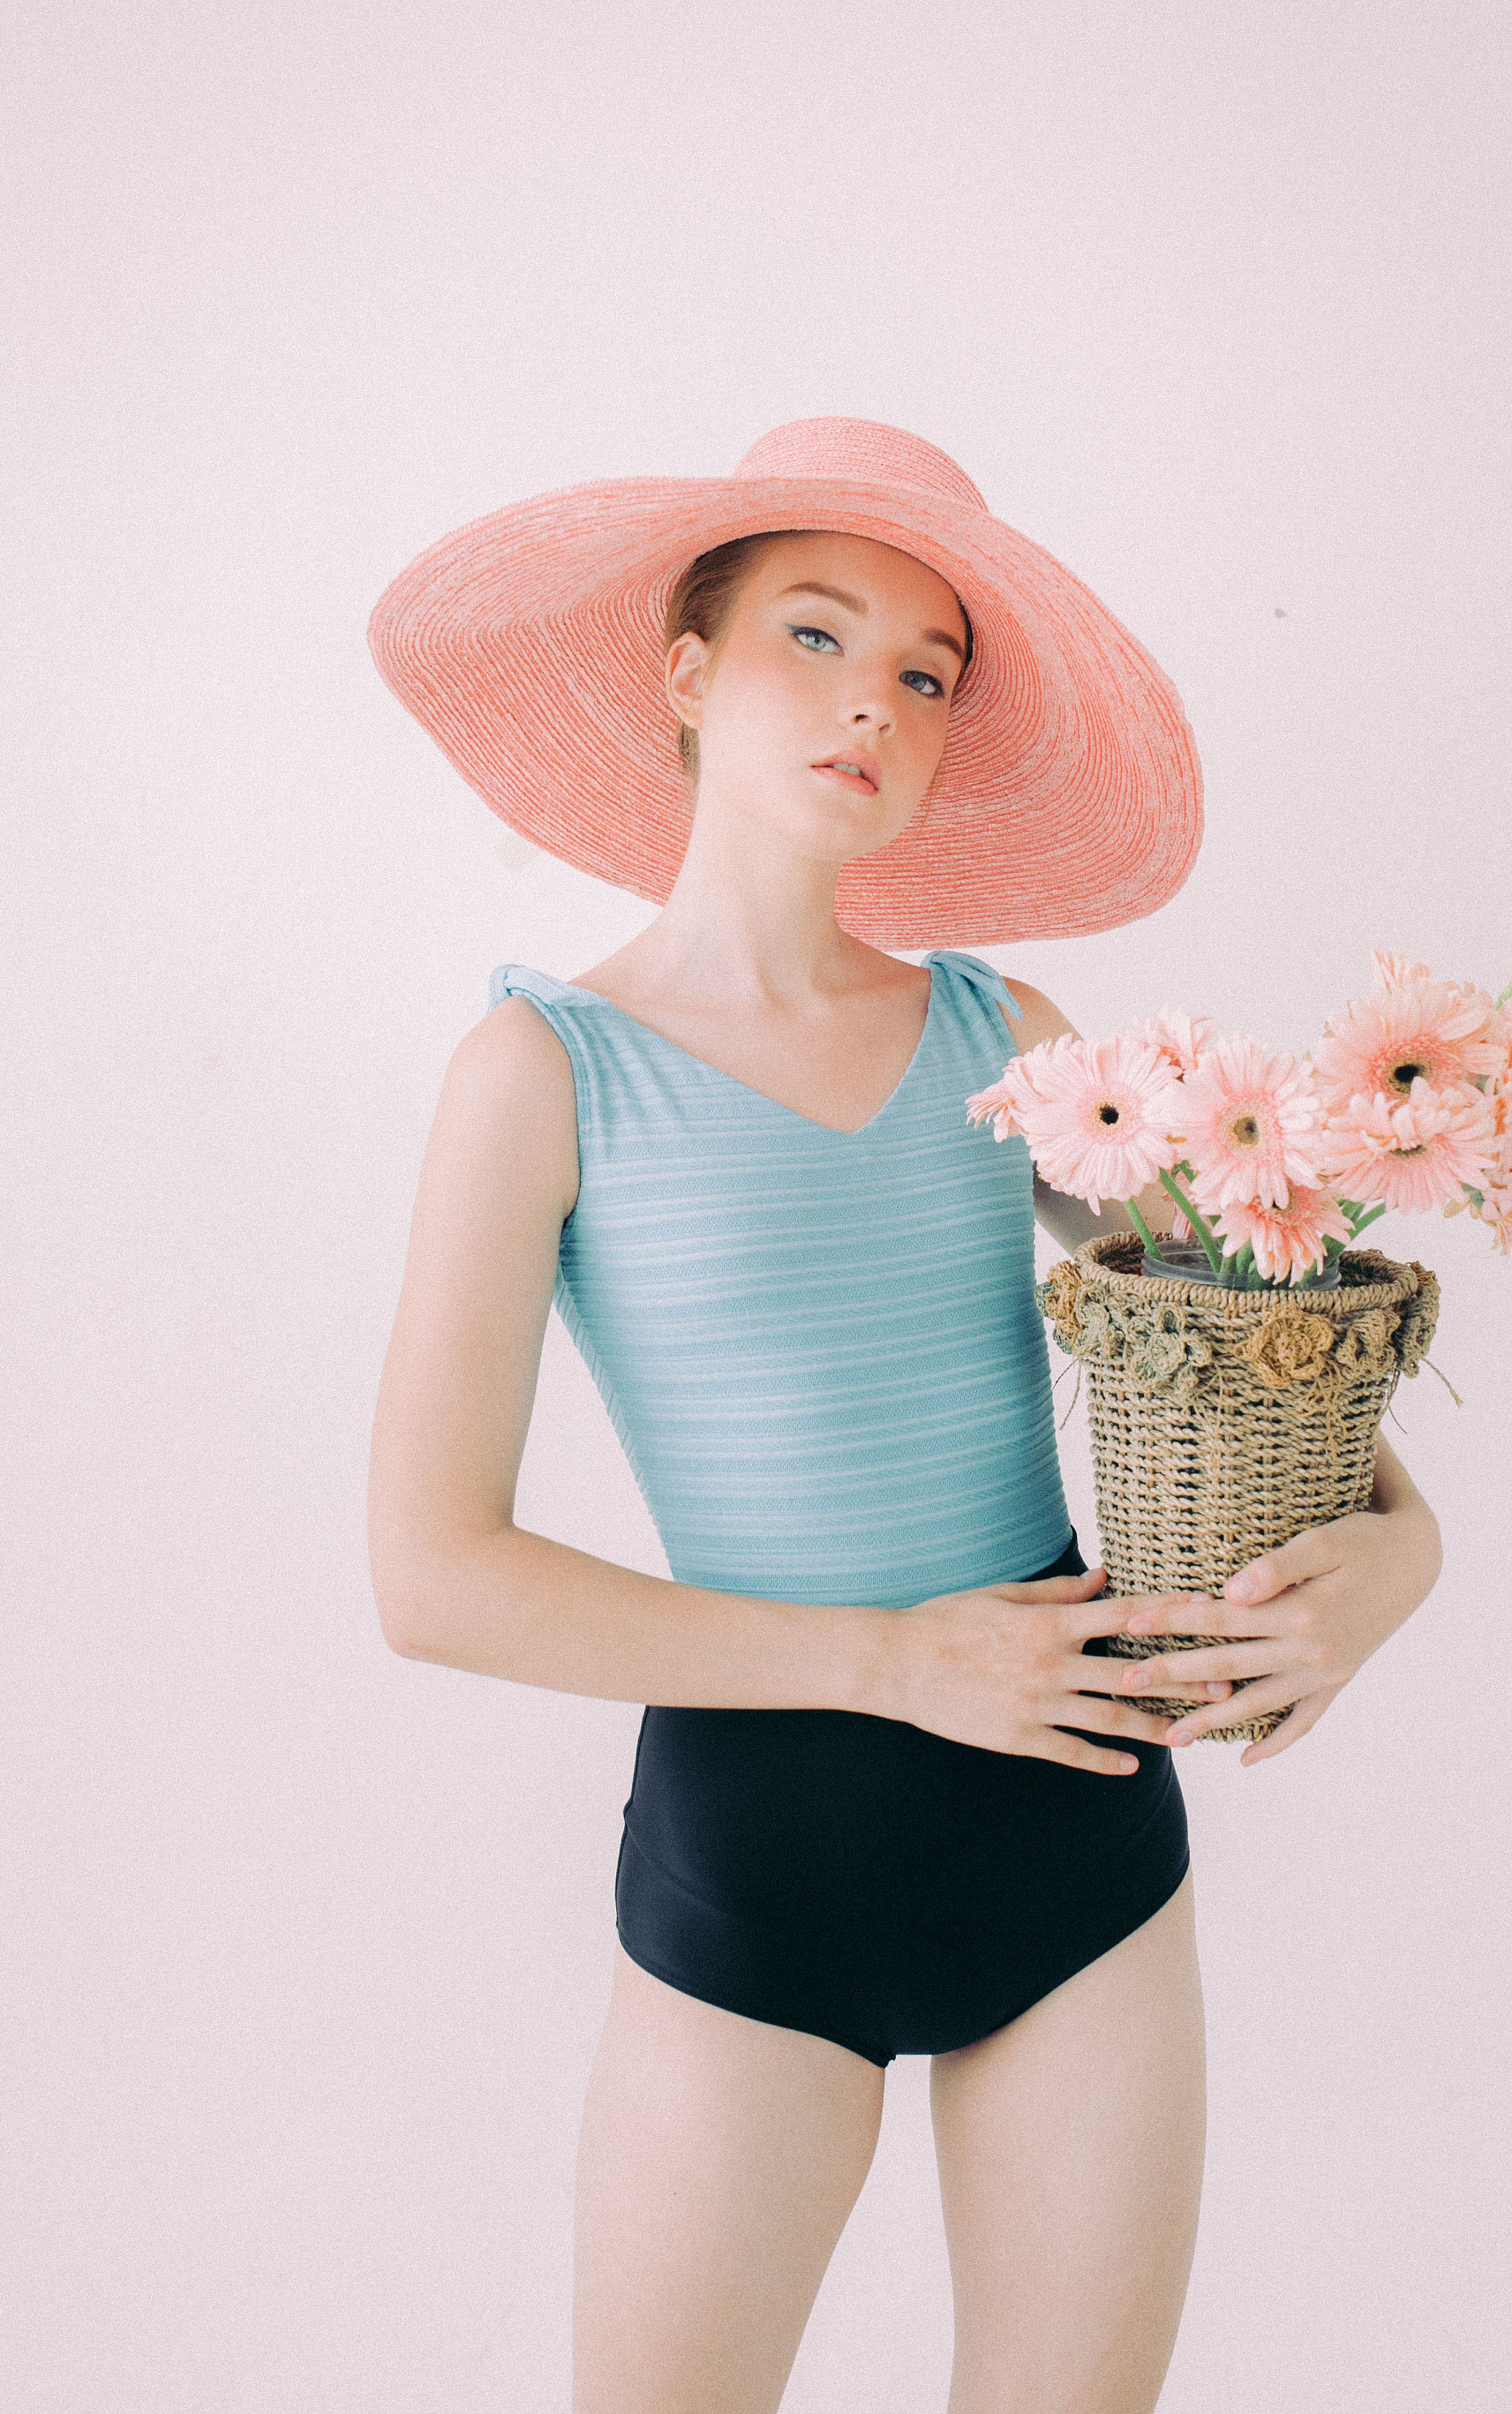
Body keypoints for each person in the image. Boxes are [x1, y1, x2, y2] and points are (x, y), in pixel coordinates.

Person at [365, 418, 1441, 2414]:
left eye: (925, 673)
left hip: (1078, 1821)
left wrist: (1403, 1548)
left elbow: (1258, 1340)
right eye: (813, 633)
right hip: (758, 1859)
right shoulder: (542, 1070)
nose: (874, 697)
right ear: (686, 674)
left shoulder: (1007, 1042)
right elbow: (431, 1579)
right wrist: (888, 1659)